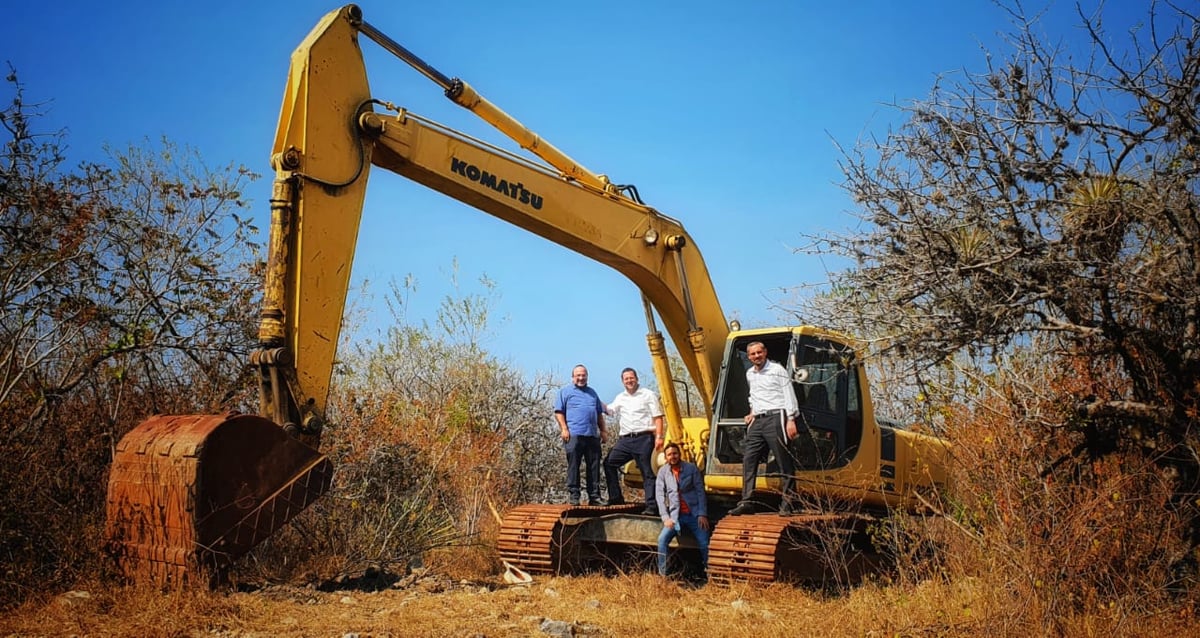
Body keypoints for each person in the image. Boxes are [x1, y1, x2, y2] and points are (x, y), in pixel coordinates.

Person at [728, 341, 800, 516]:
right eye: (752, 354)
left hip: (777, 416)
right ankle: (747, 501)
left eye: (759, 352)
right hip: (758, 420)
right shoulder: (750, 374)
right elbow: (754, 395)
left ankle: (788, 502)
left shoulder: (777, 370)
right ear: (749, 356)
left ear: (765, 352)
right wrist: (751, 412)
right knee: (749, 458)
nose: (756, 356)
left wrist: (791, 419)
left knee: (783, 459)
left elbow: (788, 394)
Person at [603, 368, 665, 516]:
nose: (629, 381)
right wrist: (594, 402)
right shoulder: (621, 397)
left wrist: (659, 437)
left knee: (647, 472)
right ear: (622, 381)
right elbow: (610, 410)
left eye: (631, 378)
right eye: (626, 379)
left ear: (636, 378)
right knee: (608, 463)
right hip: (625, 440)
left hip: (644, 438)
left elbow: (658, 417)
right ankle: (616, 498)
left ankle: (652, 506)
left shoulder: (648, 394)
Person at [554, 364, 607, 506]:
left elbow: (599, 414)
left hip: (592, 435)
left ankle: (594, 496)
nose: (581, 378)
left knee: (594, 466)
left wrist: (603, 431)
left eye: (583, 375)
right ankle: (574, 496)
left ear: (587, 377)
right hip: (574, 434)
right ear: (573, 377)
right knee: (574, 465)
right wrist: (564, 428)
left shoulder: (592, 393)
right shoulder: (565, 392)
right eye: (578, 375)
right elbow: (559, 412)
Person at [655, 442, 710, 579]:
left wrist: (702, 514)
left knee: (704, 543)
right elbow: (660, 495)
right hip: (675, 517)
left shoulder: (691, 469)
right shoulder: (663, 472)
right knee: (662, 540)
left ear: (679, 454)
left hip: (694, 514)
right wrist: (665, 517)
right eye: (669, 454)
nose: (672, 456)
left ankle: (710, 574)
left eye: (675, 453)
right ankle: (663, 575)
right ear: (666, 457)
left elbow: (700, 492)